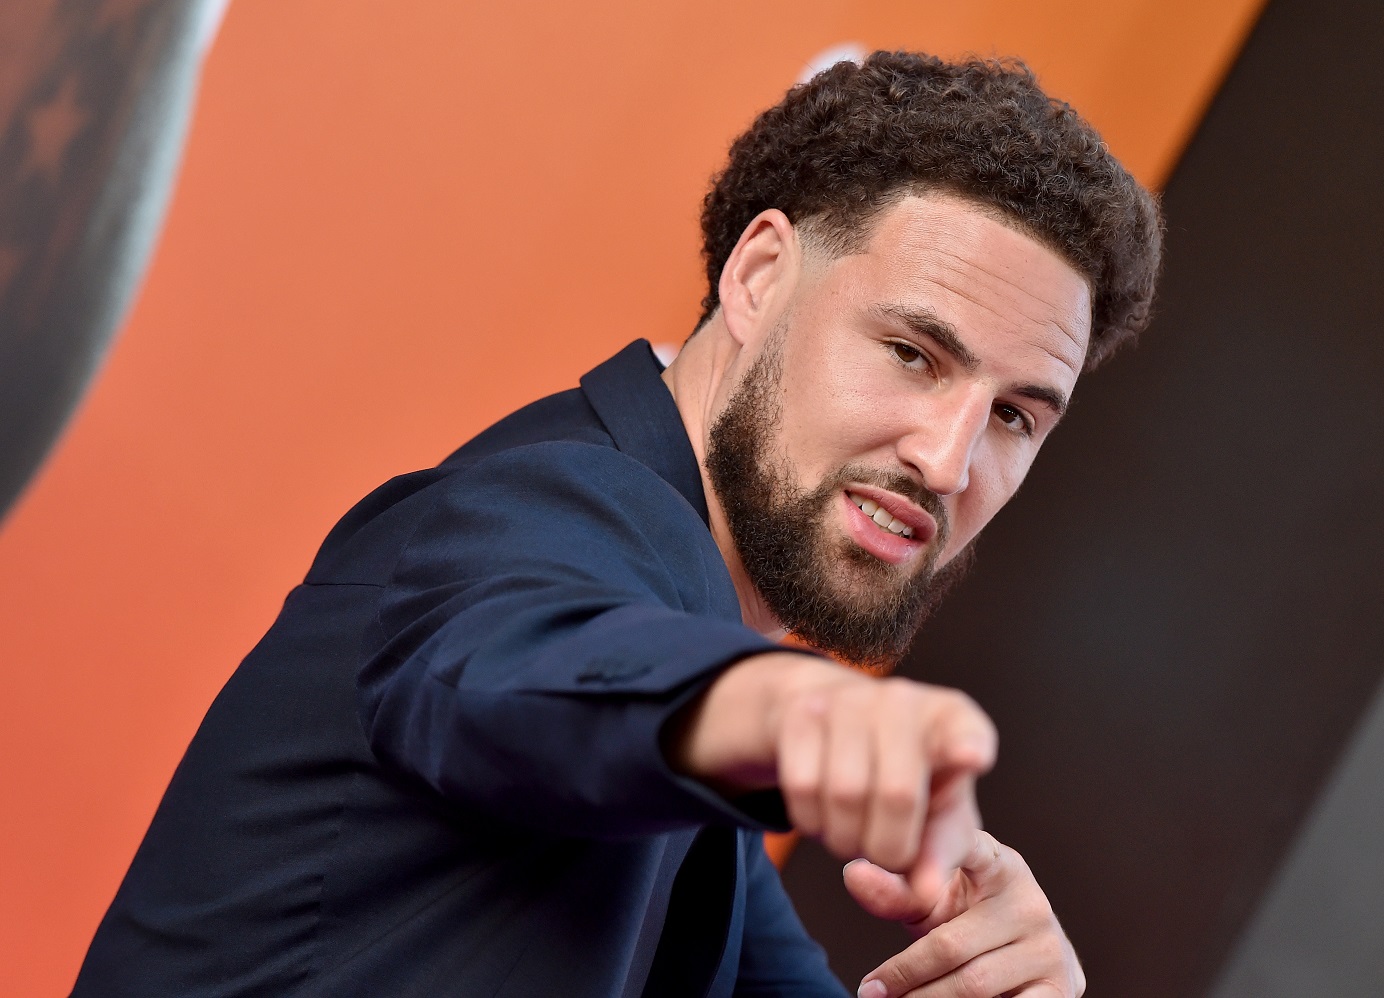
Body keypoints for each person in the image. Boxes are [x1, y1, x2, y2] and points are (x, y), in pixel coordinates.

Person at [73, 51, 1161, 997]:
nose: (948, 458)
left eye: (1014, 415)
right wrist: (776, 714)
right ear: (759, 275)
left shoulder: (704, 786)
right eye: (913, 354)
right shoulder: (557, 510)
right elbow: (521, 658)